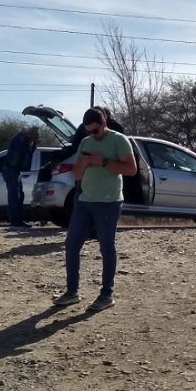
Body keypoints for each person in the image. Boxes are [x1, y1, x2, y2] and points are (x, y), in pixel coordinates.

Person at [53, 108, 137, 312]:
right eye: (88, 131)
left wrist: (104, 162)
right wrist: (84, 163)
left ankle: (106, 294)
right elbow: (77, 174)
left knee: (106, 247)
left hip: (108, 202)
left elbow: (131, 170)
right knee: (72, 244)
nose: (92, 135)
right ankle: (72, 292)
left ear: (104, 122)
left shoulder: (119, 140)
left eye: (96, 131)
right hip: (84, 201)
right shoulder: (85, 142)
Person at [2, 126, 39, 229]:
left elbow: (28, 154)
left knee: (19, 196)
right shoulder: (21, 139)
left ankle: (18, 220)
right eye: (34, 134)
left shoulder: (23, 139)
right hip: (11, 170)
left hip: (15, 171)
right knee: (14, 196)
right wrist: (32, 142)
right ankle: (14, 220)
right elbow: (25, 152)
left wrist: (33, 143)